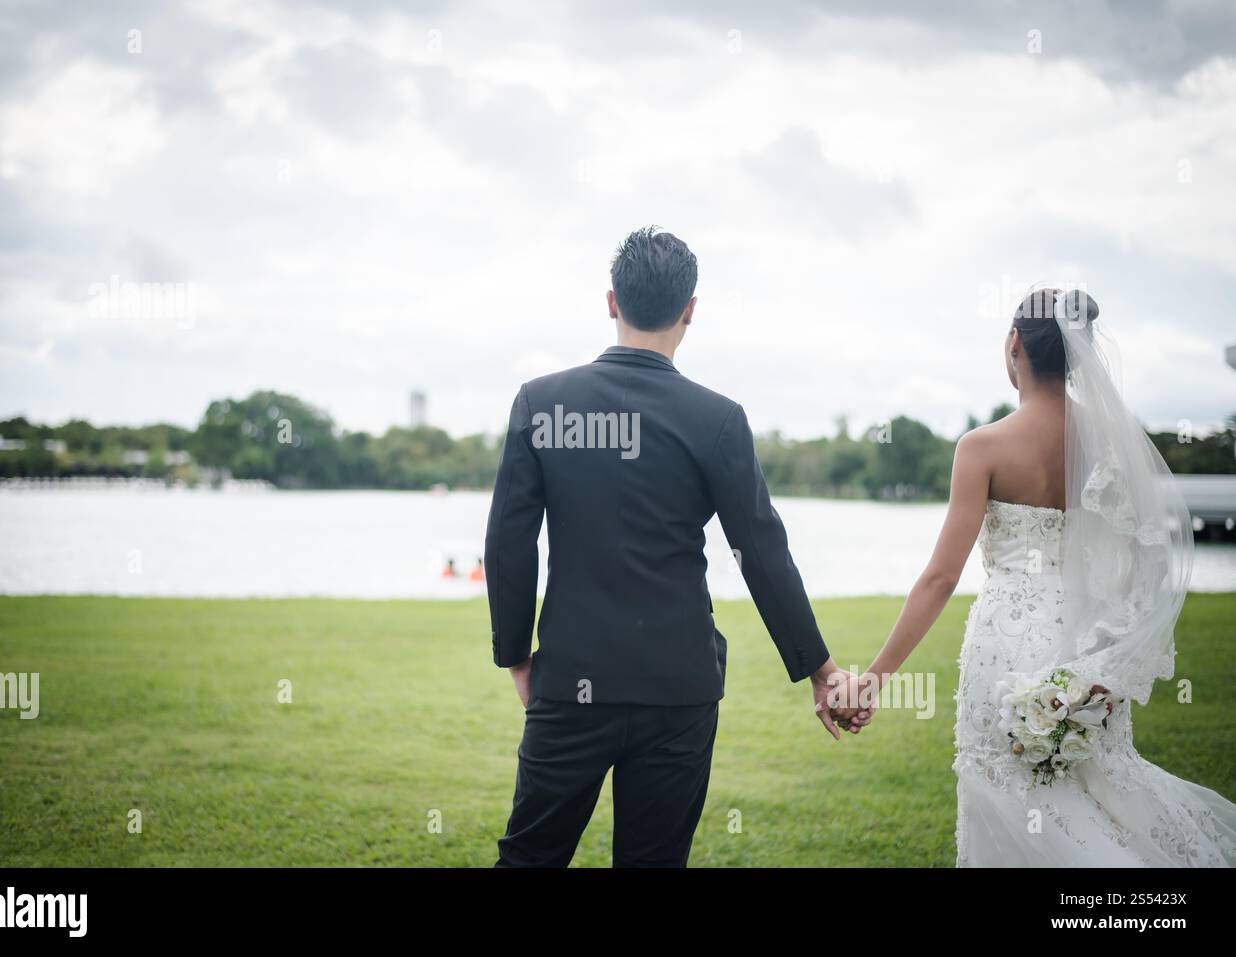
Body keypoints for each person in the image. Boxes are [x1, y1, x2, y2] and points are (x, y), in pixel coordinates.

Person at [483, 226, 868, 867]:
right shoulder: (716, 418)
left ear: (612, 302)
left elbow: (507, 542)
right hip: (678, 689)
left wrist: (516, 655)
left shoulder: (542, 403)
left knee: (528, 859)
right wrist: (820, 669)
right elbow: (762, 552)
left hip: (571, 679)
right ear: (691, 309)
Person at [856, 287, 1236, 866]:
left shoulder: (981, 447)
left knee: (1003, 788)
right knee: (1094, 789)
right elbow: (1143, 568)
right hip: (1088, 645)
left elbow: (939, 579)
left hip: (1003, 646)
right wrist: (1111, 657)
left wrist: (874, 679)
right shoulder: (1111, 447)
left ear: (1014, 346)